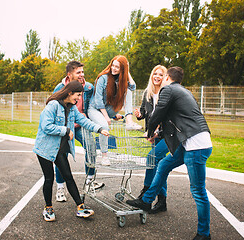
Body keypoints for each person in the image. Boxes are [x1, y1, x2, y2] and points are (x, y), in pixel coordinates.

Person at [126, 67, 213, 240]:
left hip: (196, 145)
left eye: (163, 75)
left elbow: (158, 113)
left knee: (198, 190)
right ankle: (147, 200)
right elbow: (170, 122)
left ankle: (204, 234)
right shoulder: (181, 91)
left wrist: (149, 132)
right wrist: (157, 134)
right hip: (191, 141)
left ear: (167, 77)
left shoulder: (169, 89)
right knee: (164, 164)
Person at [33, 80, 109, 222]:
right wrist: (65, 130)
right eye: (78, 95)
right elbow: (46, 126)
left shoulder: (72, 108)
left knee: (68, 176)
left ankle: (80, 207)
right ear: (69, 93)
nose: (79, 99)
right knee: (49, 178)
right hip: (45, 148)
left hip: (59, 148)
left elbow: (83, 121)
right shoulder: (53, 105)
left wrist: (99, 129)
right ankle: (48, 208)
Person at [53, 61, 104, 203]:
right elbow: (54, 107)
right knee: (61, 155)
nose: (82, 75)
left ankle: (89, 181)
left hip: (81, 124)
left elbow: (96, 105)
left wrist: (110, 115)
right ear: (69, 75)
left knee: (91, 148)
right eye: (78, 72)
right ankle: (60, 188)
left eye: (82, 72)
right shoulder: (60, 88)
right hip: (65, 127)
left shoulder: (88, 87)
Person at [88, 55, 139, 166]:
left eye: (118, 67)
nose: (114, 68)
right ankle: (104, 156)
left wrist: (127, 70)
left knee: (129, 90)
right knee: (104, 126)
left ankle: (129, 121)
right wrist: (106, 117)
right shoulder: (103, 78)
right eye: (113, 65)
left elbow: (133, 86)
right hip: (95, 109)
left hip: (109, 109)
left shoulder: (121, 80)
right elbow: (98, 100)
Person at [133, 65, 170, 214]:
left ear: (165, 78)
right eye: (155, 73)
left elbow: (165, 117)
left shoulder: (167, 93)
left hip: (167, 135)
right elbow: (144, 112)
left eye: (161, 74)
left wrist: (154, 131)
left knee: (152, 159)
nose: (157, 76)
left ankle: (145, 194)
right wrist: (139, 115)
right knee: (160, 166)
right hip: (153, 134)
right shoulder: (147, 94)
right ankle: (162, 201)